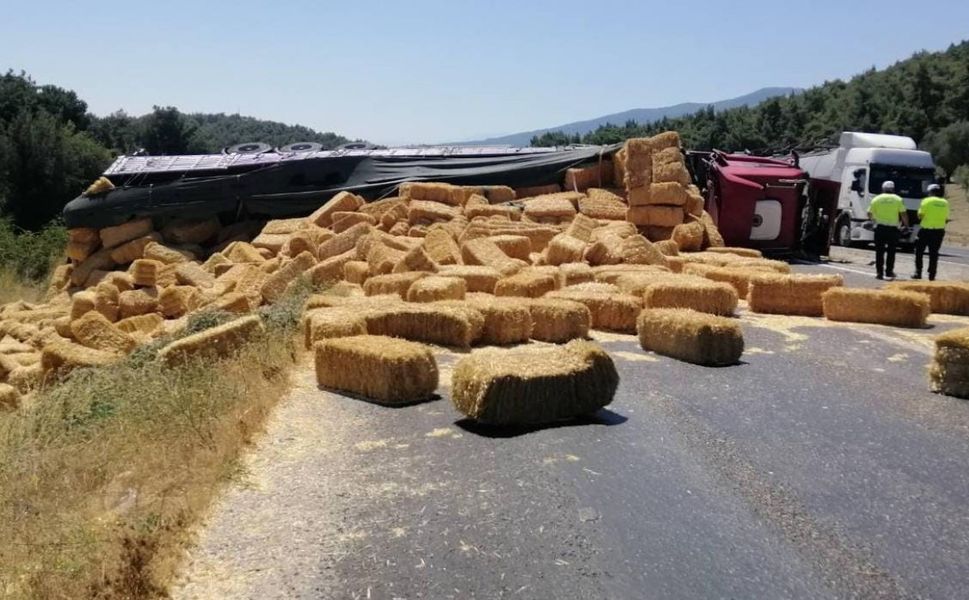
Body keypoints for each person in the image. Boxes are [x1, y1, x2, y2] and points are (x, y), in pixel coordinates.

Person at [867, 180, 908, 280]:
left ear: (883, 188)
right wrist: (906, 225)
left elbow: (869, 213)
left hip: (880, 228)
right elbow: (903, 214)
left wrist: (874, 221)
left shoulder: (876, 199)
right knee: (891, 251)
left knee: (879, 251)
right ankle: (889, 272)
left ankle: (879, 272)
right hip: (893, 229)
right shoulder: (898, 199)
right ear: (893, 189)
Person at [913, 183, 949, 280]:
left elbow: (920, 215)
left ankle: (918, 272)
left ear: (930, 192)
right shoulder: (945, 202)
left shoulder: (926, 201)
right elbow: (946, 218)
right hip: (939, 231)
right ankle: (932, 275)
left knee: (919, 251)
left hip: (926, 230)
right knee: (934, 253)